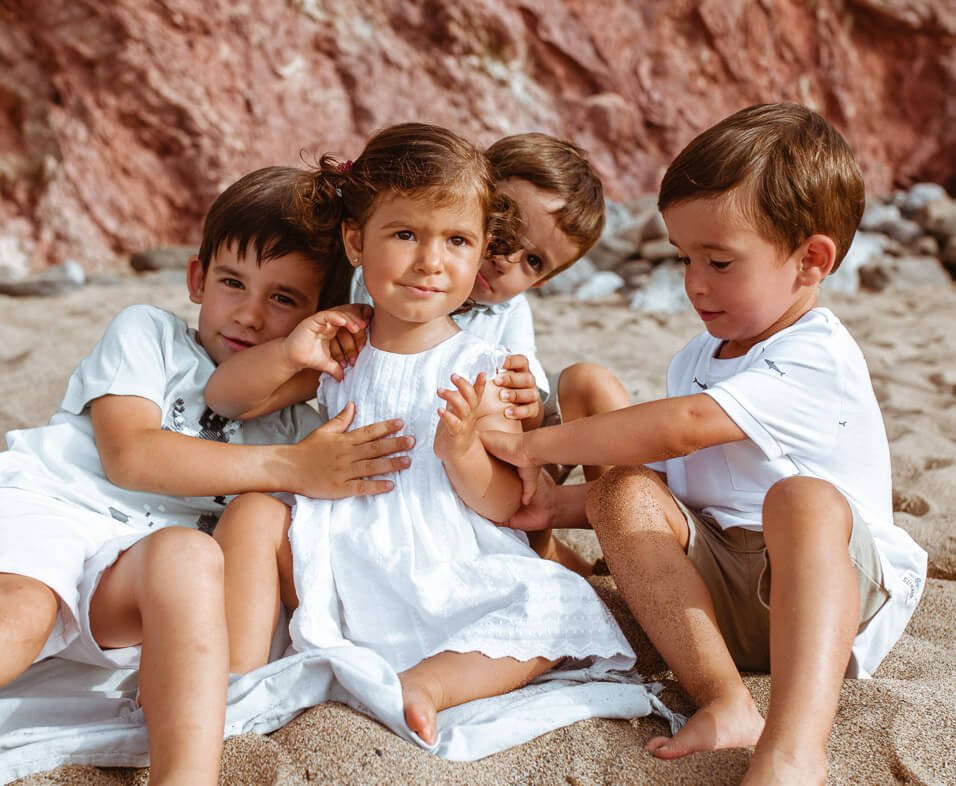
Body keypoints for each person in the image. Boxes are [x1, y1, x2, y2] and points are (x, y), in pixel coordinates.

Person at [0, 166, 413, 786]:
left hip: (125, 571)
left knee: (190, 554)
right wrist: (291, 468)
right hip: (41, 510)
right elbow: (132, 456)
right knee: (14, 616)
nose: (251, 316)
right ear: (198, 279)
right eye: (234, 282)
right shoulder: (148, 334)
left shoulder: (298, 428)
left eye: (284, 299)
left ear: (324, 317)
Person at [480, 103, 928, 785]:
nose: (694, 282)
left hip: (822, 602)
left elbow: (684, 426)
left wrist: (541, 447)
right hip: (714, 601)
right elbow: (669, 477)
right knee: (624, 490)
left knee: (802, 501)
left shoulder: (816, 354)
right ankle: (724, 698)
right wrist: (555, 507)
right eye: (684, 257)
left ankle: (793, 750)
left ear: (811, 260)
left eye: (719, 261)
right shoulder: (698, 355)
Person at [205, 123, 634, 747]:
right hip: (343, 544)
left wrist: (462, 453)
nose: (431, 260)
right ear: (356, 242)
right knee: (250, 516)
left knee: (561, 605)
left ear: (480, 247)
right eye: (406, 235)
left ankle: (427, 684)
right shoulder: (345, 342)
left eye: (457, 241)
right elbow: (227, 399)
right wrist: (290, 352)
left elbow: (506, 503)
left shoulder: (482, 365)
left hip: (441, 554)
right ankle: (237, 681)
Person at [348, 132, 629, 573]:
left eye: (533, 262)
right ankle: (549, 553)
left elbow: (523, 431)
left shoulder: (510, 312)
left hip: (504, 465)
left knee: (590, 383)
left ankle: (629, 537)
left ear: (540, 283)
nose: (507, 258)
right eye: (503, 229)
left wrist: (527, 401)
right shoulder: (395, 277)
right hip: (425, 462)